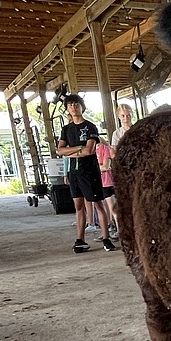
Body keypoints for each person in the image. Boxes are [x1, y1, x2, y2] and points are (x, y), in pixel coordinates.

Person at [57, 94, 116, 253]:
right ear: (67, 109)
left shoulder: (90, 127)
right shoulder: (66, 129)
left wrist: (70, 151)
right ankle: (80, 239)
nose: (73, 107)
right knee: (78, 205)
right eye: (70, 105)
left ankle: (106, 238)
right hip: (74, 172)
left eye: (76, 104)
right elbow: (59, 150)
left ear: (82, 106)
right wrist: (78, 149)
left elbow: (89, 150)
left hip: (90, 171)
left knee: (98, 204)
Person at [95, 137, 118, 239]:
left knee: (113, 208)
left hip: (107, 182)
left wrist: (92, 167)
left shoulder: (105, 148)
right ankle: (106, 231)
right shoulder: (92, 150)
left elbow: (106, 166)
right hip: (97, 182)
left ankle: (119, 230)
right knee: (103, 209)